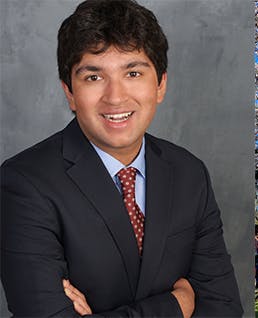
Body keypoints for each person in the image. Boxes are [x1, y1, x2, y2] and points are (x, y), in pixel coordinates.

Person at [0, 0, 242, 316]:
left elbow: (223, 307)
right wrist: (175, 306)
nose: (115, 97)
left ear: (160, 85)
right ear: (70, 93)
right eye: (93, 77)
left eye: (133, 72)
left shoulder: (188, 173)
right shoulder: (23, 184)